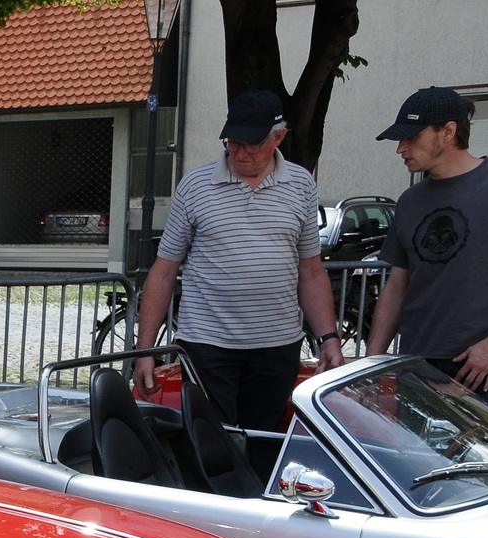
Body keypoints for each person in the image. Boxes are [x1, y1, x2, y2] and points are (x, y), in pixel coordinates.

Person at [133, 90, 342, 432]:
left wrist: (328, 338)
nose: (239, 152)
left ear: (279, 137)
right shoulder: (196, 185)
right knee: (213, 441)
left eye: (252, 144)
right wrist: (145, 352)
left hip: (277, 343)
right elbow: (164, 270)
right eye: (233, 142)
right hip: (206, 343)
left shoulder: (302, 184)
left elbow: (312, 271)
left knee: (264, 438)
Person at [366, 87, 488, 419]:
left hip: (485, 368)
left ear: (449, 131)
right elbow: (397, 288)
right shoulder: (410, 200)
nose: (401, 148)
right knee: (415, 470)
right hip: (417, 368)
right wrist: (373, 368)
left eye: (411, 137)